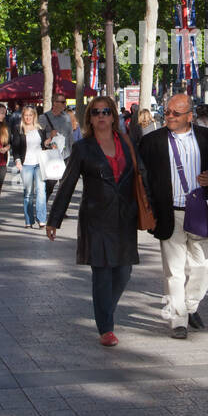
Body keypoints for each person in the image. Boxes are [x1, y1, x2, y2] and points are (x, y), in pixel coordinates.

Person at [46, 96, 146, 347]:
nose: (101, 116)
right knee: (102, 273)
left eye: (105, 111)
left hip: (124, 217)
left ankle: (105, 311)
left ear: (113, 116)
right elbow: (67, 184)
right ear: (89, 118)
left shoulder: (127, 143)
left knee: (123, 272)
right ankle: (106, 328)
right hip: (96, 218)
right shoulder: (83, 148)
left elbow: (141, 175)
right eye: (95, 112)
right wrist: (54, 219)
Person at [138, 93, 208, 339]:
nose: (169, 116)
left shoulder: (207, 137)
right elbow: (143, 176)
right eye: (167, 111)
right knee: (175, 271)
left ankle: (189, 305)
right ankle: (178, 319)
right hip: (170, 214)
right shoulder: (153, 141)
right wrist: (149, 207)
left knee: (205, 266)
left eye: (175, 113)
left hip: (201, 211)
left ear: (189, 116)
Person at [11, 105, 54, 228]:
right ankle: (29, 220)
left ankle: (41, 219)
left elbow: (43, 144)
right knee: (28, 193)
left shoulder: (40, 128)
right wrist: (17, 161)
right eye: (26, 115)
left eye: (30, 115)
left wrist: (50, 140)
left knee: (41, 192)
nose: (28, 118)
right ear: (22, 116)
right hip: (26, 164)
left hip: (39, 163)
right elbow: (16, 148)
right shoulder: (18, 129)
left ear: (34, 116)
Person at [42, 94, 74, 201]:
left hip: (66, 155)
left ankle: (60, 210)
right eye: (63, 102)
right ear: (55, 103)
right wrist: (48, 139)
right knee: (50, 184)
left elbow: (70, 136)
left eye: (65, 102)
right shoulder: (44, 118)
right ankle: (42, 208)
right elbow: (39, 138)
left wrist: (73, 153)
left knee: (64, 186)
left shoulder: (66, 117)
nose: (65, 104)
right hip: (52, 156)